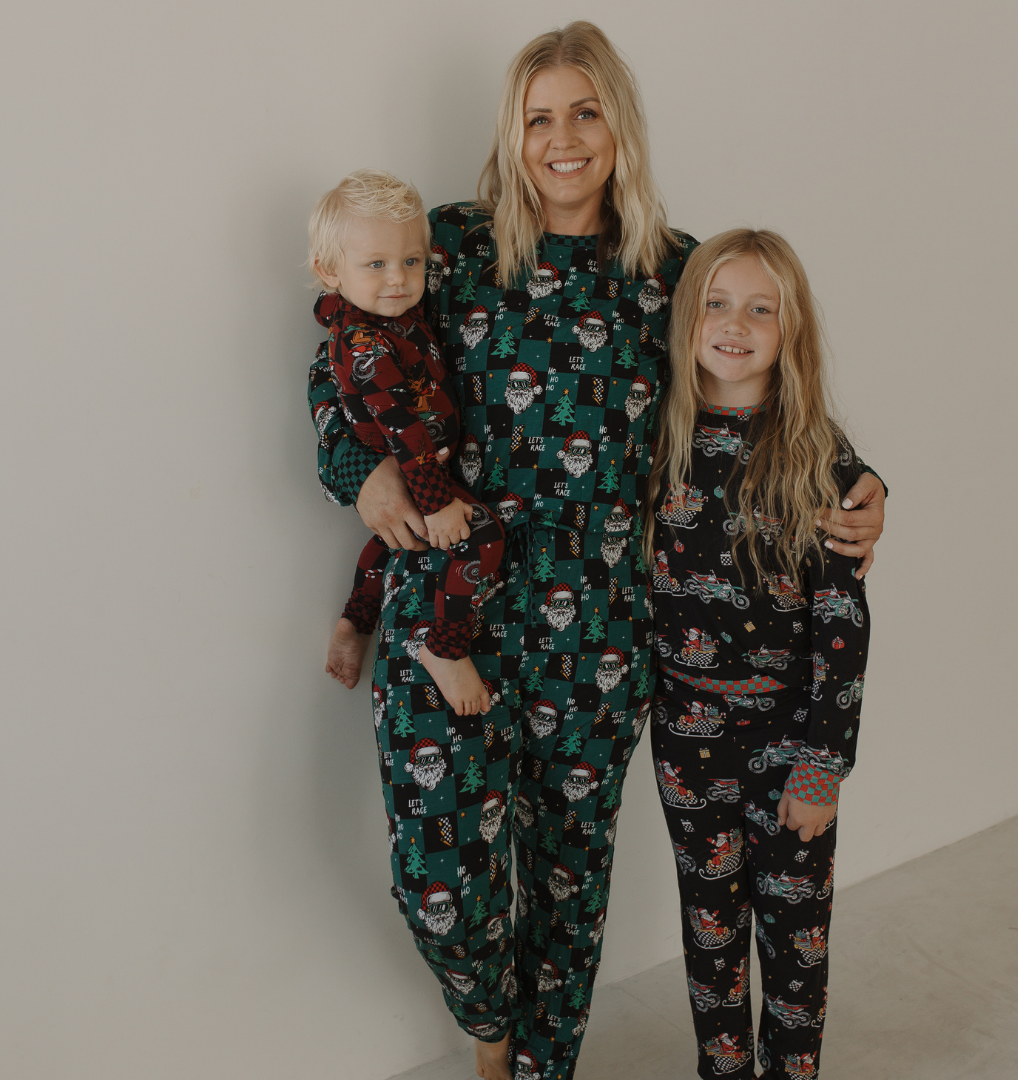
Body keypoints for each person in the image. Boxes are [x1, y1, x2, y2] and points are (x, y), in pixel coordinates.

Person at [306, 23, 886, 1080]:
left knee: (568, 900)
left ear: (620, 122)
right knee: (441, 888)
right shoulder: (448, 248)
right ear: (512, 132)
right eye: (539, 117)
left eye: (586, 111)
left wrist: (857, 484)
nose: (563, 138)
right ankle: (492, 1034)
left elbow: (761, 393)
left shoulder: (675, 272)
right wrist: (361, 473)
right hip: (451, 622)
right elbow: (342, 360)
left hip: (605, 641)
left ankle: (539, 1070)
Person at [645, 229, 872, 1080]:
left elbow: (843, 624)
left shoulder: (818, 455)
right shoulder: (656, 438)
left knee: (795, 942)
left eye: (760, 309)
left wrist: (823, 764)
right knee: (710, 938)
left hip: (790, 740)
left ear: (791, 330)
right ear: (687, 316)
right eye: (716, 303)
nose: (734, 324)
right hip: (685, 737)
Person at [310, 169, 504, 716]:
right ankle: (445, 649)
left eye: (412, 261)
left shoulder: (384, 313)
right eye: (376, 264)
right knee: (482, 537)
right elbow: (403, 430)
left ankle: (355, 622)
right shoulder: (364, 342)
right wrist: (437, 499)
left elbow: (335, 312)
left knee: (392, 543)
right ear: (330, 271)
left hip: (426, 462)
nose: (398, 278)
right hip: (415, 465)